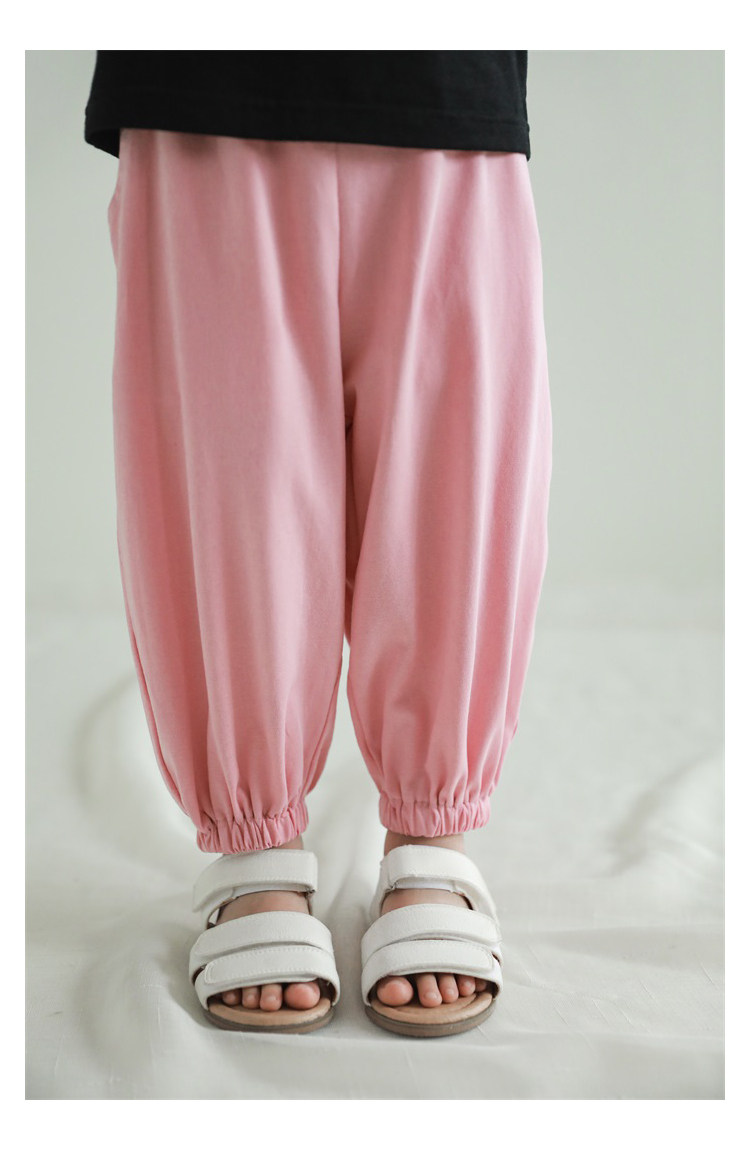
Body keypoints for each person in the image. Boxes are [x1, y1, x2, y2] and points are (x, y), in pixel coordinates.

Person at [84, 49, 552, 1038]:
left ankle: (432, 830)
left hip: (445, 72)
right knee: (232, 468)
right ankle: (253, 840)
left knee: (451, 466)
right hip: (200, 69)